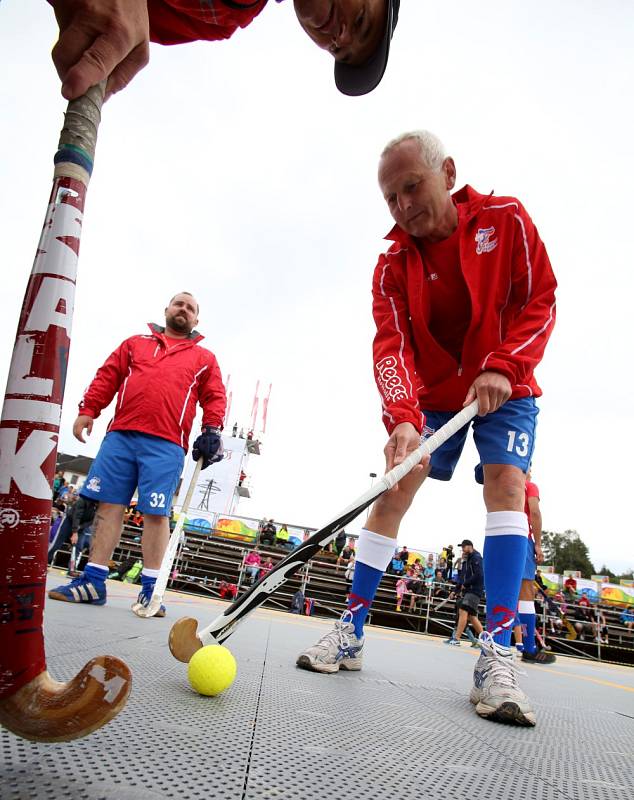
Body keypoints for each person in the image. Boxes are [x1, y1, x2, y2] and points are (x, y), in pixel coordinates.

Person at [296, 130, 557, 727]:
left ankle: (498, 652)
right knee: (395, 484)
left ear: (448, 172)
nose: (403, 205)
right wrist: (403, 420)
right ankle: (352, 629)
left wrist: (504, 366)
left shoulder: (506, 219)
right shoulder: (390, 263)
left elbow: (539, 298)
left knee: (508, 488)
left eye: (412, 186)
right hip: (433, 397)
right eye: (390, 197)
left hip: (505, 381)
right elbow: (390, 345)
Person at [48, 292, 226, 616]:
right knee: (109, 505)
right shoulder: (135, 343)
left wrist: (212, 430)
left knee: (156, 514)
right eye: (178, 304)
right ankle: (93, 581)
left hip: (166, 444)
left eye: (190, 307)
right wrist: (89, 409)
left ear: (196, 320)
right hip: (121, 437)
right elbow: (108, 375)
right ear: (167, 310)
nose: (183, 309)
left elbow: (214, 397)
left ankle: (150, 590)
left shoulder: (204, 358)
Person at [49, 0, 400, 102]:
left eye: (339, 52)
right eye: (361, 22)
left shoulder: (222, 20)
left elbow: (104, 19)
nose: (340, 39)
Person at [514, 470, 556, 664]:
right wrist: (538, 544)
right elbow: (535, 513)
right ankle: (529, 647)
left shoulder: (504, 480)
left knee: (506, 592)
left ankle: (501, 643)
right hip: (522, 536)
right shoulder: (529, 486)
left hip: (499, 533)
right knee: (526, 592)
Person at [444, 540, 484, 646]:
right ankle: (485, 641)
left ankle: (456, 639)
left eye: (463, 547)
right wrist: (455, 591)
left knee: (463, 610)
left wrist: (465, 584)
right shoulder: (467, 561)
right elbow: (461, 579)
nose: (462, 549)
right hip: (469, 590)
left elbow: (479, 575)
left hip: (474, 590)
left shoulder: (476, 558)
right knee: (471, 616)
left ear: (470, 546)